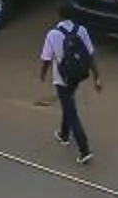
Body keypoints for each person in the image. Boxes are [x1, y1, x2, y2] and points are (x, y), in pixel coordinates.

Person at [41, 12, 99, 164]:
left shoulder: (52, 34)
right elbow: (90, 55)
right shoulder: (81, 30)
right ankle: (64, 135)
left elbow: (46, 58)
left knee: (71, 112)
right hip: (78, 75)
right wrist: (97, 77)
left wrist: (42, 74)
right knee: (68, 104)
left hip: (62, 79)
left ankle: (84, 149)